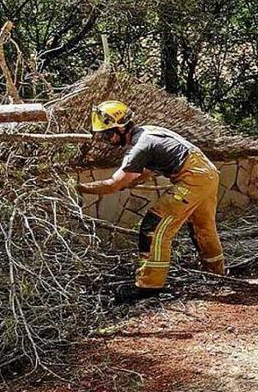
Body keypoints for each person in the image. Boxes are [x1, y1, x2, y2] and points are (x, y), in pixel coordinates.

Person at [77, 100, 225, 300]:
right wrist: (134, 181)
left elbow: (114, 184)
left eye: (107, 133)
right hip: (207, 173)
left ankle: (149, 287)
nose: (105, 139)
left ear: (121, 128)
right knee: (202, 227)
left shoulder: (140, 146)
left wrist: (80, 187)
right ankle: (216, 274)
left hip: (193, 178)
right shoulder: (148, 132)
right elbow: (147, 169)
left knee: (154, 227)